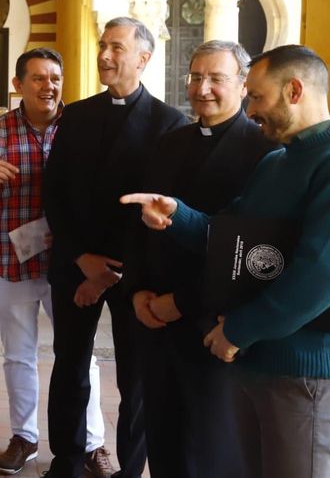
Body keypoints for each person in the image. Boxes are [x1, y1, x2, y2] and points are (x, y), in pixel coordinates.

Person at [122, 44, 330, 478]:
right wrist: (177, 215)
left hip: (305, 370)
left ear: (295, 90)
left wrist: (240, 330)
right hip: (259, 363)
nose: (251, 110)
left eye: (259, 97)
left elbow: (320, 276)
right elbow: (229, 236)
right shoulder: (278, 162)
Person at [0, 49, 110, 476]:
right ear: (19, 85)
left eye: (55, 77)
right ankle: (25, 437)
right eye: (37, 78)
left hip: (70, 268)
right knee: (18, 355)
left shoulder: (80, 129)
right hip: (11, 263)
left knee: (80, 357)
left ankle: (91, 443)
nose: (48, 86)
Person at [42, 16, 187, 478]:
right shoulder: (78, 115)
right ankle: (64, 463)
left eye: (117, 47)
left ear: (143, 58)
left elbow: (159, 212)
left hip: (134, 272)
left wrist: (112, 273)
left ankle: (130, 470)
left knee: (136, 379)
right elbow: (55, 193)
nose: (105, 54)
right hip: (76, 262)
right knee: (69, 368)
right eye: (102, 45)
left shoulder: (170, 124)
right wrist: (81, 258)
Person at [122, 41, 274, 478]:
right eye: (195, 77)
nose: (202, 88)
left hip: (211, 322)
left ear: (244, 85)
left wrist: (182, 302)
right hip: (154, 318)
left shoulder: (263, 152)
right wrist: (137, 291)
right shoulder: (169, 144)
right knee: (163, 436)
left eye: (216, 79)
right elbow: (139, 219)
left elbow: (244, 250)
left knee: (210, 448)